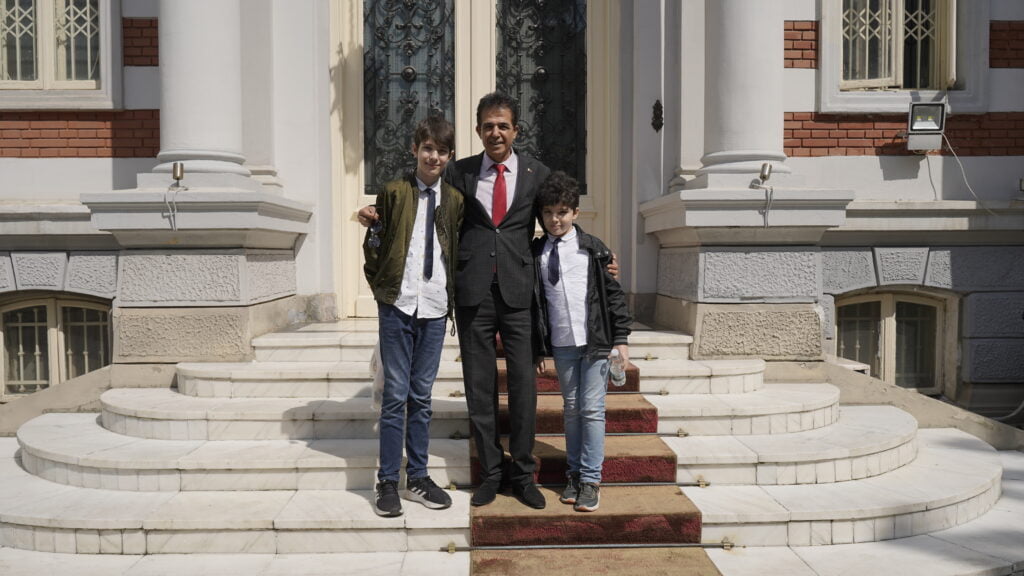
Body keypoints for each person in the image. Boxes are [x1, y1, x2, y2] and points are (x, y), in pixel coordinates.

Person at [361, 92, 550, 509]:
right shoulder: (460, 173)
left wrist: (595, 254)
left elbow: (556, 223)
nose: (495, 132)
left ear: (516, 130)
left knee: (523, 386)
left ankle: (522, 475)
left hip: (517, 292)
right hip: (470, 294)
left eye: (503, 125)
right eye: (488, 126)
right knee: (478, 388)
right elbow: (410, 202)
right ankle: (490, 472)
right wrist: (375, 215)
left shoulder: (537, 173)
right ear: (478, 130)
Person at [362, 115, 463, 517]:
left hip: (434, 308)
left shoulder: (454, 200)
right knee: (394, 396)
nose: (433, 156)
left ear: (449, 156)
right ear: (414, 150)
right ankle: (387, 481)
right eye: (427, 148)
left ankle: (417, 477)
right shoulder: (393, 192)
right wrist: (382, 289)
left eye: (441, 151)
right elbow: (375, 245)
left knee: (421, 397)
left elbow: (455, 249)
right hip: (398, 305)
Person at [532, 171, 632, 513]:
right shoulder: (537, 252)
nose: (555, 219)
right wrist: (539, 347)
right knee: (572, 408)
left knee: (591, 409)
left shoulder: (594, 249)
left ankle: (591, 479)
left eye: (562, 212)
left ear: (575, 212)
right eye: (548, 212)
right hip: (562, 343)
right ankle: (574, 474)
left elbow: (613, 296)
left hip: (595, 341)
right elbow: (535, 303)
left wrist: (621, 339)